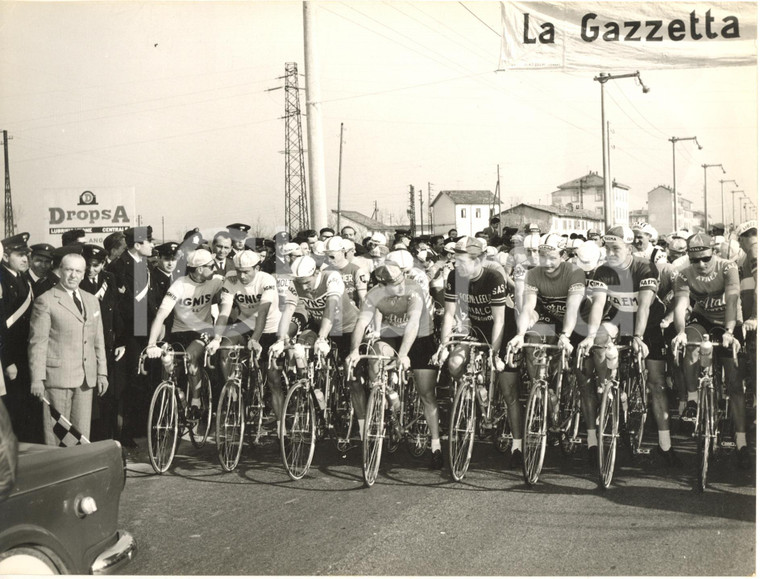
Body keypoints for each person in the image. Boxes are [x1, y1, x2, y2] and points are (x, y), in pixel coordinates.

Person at [578, 225, 681, 467]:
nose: (610, 252)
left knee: (656, 382)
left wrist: (638, 337)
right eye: (607, 247)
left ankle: (665, 445)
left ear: (629, 247)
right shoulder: (603, 270)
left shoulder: (645, 267)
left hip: (649, 324)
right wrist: (591, 335)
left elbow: (644, 307)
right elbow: (598, 305)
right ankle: (609, 388)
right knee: (600, 339)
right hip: (619, 319)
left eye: (616, 248)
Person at [507, 233, 595, 464]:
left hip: (576, 323)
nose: (546, 262)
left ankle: (593, 437)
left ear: (564, 255)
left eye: (553, 257)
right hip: (548, 322)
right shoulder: (534, 273)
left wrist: (566, 336)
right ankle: (545, 391)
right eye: (543, 256)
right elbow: (528, 307)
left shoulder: (574, 272)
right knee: (532, 346)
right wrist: (519, 334)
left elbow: (572, 308)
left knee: (582, 376)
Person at [346, 262, 441, 468]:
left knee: (426, 393)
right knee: (375, 355)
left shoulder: (413, 288)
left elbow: (414, 323)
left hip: (421, 336)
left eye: (400, 281)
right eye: (393, 284)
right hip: (391, 334)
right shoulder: (374, 294)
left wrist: (404, 355)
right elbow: (361, 323)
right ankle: (388, 393)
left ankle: (436, 445)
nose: (399, 286)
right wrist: (354, 351)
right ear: (382, 285)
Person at [671, 233, 751, 469]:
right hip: (703, 320)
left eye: (705, 258)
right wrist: (680, 332)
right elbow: (681, 306)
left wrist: (728, 331)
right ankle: (694, 399)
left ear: (713, 253)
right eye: (695, 260)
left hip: (728, 322)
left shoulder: (728, 268)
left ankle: (741, 441)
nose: (701, 264)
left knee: (735, 385)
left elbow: (733, 297)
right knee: (691, 347)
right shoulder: (684, 274)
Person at [438, 237, 514, 465]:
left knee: (503, 379)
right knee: (453, 363)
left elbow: (499, 320)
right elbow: (450, 315)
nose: (455, 266)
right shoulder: (454, 276)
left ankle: (504, 418)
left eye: (461, 261)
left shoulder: (494, 276)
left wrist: (495, 352)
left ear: (479, 259)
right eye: (454, 261)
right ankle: (473, 391)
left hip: (501, 326)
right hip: (474, 324)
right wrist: (444, 346)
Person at [28, 253, 108, 445]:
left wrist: (102, 373)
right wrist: (37, 378)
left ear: (83, 274)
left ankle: (78, 472)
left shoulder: (91, 300)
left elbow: (98, 339)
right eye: (69, 270)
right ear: (60, 271)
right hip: (57, 378)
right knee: (57, 436)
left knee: (81, 436)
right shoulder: (46, 300)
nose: (73, 275)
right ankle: (58, 471)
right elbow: (37, 343)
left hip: (85, 380)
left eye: (78, 271)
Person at [207, 250, 291, 432]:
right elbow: (224, 312)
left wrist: (255, 339)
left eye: (246, 271)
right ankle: (233, 391)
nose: (242, 276)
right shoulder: (230, 280)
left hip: (270, 327)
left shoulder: (266, 279)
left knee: (273, 379)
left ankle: (280, 425)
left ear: (257, 268)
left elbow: (263, 312)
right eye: (238, 271)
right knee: (226, 345)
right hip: (246, 325)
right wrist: (217, 337)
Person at [146, 249, 224, 416]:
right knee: (168, 362)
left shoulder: (216, 281)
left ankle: (196, 401)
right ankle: (177, 395)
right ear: (199, 269)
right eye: (211, 266)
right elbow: (161, 315)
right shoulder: (179, 284)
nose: (215, 268)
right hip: (179, 331)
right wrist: (151, 344)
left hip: (203, 330)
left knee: (190, 356)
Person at [109, 225, 156, 447]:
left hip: (146, 330)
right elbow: (121, 306)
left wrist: (158, 325)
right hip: (130, 332)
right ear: (137, 245)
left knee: (144, 380)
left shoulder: (144, 265)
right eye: (149, 241)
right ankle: (124, 431)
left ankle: (140, 427)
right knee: (130, 381)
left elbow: (150, 300)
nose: (152, 244)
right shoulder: (119, 267)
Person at [1, 232, 42, 443]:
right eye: (19, 254)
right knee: (13, 409)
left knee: (25, 406)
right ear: (6, 256)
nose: (25, 259)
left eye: (27, 254)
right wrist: (7, 361)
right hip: (11, 357)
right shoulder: (2, 279)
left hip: (25, 354)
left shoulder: (22, 277)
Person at [80, 244, 124, 440]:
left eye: (96, 265)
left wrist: (121, 340)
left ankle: (108, 437)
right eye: (88, 265)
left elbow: (115, 310)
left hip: (108, 343)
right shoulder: (79, 281)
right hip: (87, 345)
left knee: (108, 394)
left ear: (104, 263)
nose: (91, 270)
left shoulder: (109, 279)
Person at [324, 236, 368, 308]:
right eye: (326, 257)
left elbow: (363, 298)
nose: (329, 260)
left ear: (342, 252)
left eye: (332, 257)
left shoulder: (357, 270)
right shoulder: (325, 271)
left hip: (352, 312)